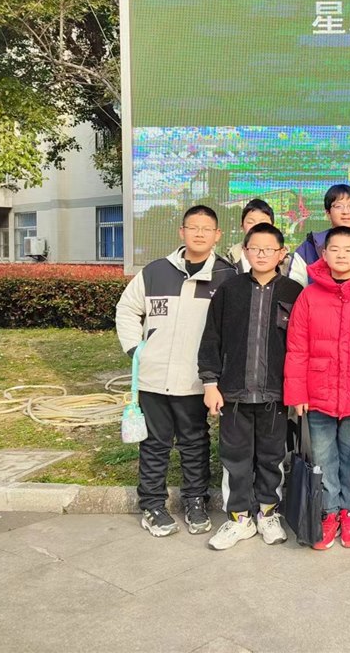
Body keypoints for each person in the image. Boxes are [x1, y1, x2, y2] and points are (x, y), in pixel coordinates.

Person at [115, 204, 236, 537]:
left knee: (194, 442)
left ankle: (195, 501)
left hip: (196, 380)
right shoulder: (156, 271)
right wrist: (136, 350)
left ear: (217, 235)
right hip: (153, 378)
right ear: (182, 232)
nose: (199, 233)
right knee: (154, 444)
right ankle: (152, 505)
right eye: (192, 227)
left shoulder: (227, 276)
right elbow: (127, 309)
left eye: (206, 228)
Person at [284, 226, 350, 550]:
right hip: (318, 393)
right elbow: (297, 348)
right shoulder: (309, 296)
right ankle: (329, 511)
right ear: (324, 254)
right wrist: (297, 394)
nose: (341, 255)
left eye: (348, 249)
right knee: (323, 458)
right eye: (335, 249)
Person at [198, 222, 303, 550]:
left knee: (272, 457)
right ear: (245, 251)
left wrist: (298, 389)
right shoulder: (230, 290)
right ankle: (239, 518)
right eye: (255, 248)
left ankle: (268, 513)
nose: (261, 254)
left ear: (281, 253)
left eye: (269, 249)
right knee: (236, 458)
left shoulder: (294, 293)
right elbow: (211, 337)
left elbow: (302, 345)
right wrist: (210, 382)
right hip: (234, 392)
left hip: (276, 394)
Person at [287, 184, 350, 287]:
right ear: (328, 213)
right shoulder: (308, 248)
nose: (345, 212)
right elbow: (295, 288)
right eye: (338, 206)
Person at [226, 199, 276, 271]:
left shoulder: (287, 260)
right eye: (250, 222)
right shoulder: (228, 259)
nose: (257, 227)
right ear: (242, 226)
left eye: (263, 222)